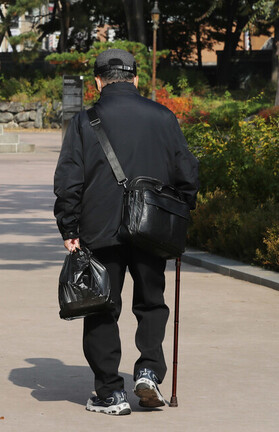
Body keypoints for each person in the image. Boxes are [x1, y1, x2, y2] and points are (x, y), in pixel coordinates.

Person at [53, 49, 199, 416]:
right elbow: (188, 175)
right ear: (136, 79)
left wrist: (69, 227)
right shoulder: (164, 117)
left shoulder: (84, 121)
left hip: (100, 229)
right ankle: (148, 371)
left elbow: (69, 180)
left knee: (101, 306)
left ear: (98, 81)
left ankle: (110, 393)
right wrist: (179, 216)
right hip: (153, 227)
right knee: (151, 303)